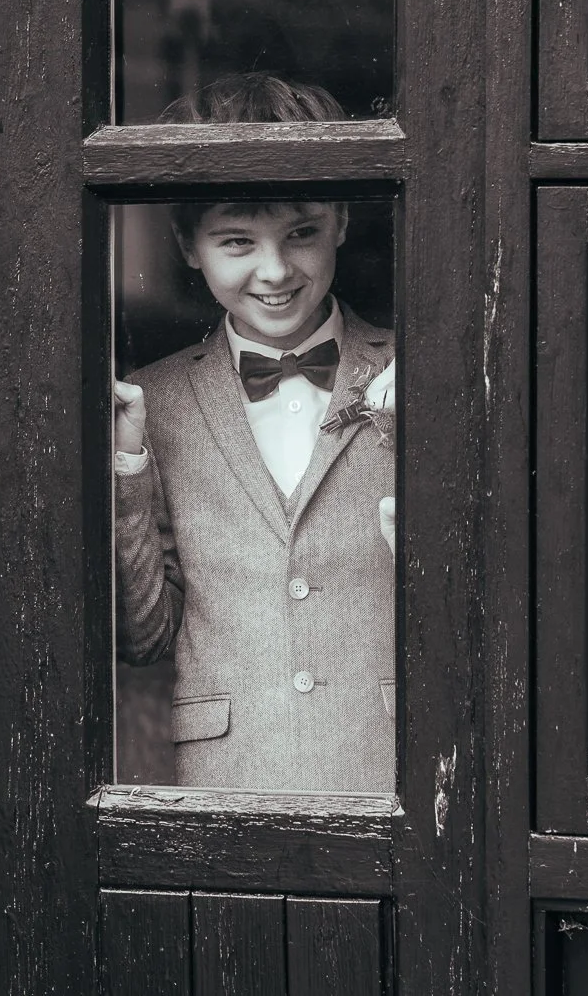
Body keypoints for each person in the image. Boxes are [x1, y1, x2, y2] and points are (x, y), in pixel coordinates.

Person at [114, 73, 395, 793]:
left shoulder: (417, 371)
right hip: (230, 776)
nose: (274, 270)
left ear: (341, 221)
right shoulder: (156, 398)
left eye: (301, 232)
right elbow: (143, 636)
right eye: (237, 240)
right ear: (186, 243)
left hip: (391, 763)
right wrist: (126, 468)